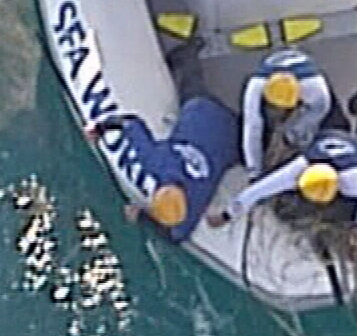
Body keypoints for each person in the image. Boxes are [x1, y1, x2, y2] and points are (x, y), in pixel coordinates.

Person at [86, 41, 242, 245]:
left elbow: (173, 236)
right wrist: (100, 128)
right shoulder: (156, 161)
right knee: (191, 90)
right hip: (210, 118)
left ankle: (189, 54)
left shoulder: (192, 207)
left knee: (193, 91)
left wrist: (144, 217)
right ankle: (188, 53)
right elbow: (129, 123)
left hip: (231, 135)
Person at [206, 128, 357, 232]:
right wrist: (227, 215)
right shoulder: (298, 169)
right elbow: (259, 189)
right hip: (329, 136)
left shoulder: (352, 182)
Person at [238, 46, 339, 178]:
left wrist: (292, 136)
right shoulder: (256, 85)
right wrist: (254, 171)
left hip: (307, 85)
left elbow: (316, 115)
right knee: (256, 126)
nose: (281, 112)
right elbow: (252, 126)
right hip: (272, 83)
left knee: (312, 131)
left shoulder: (317, 92)